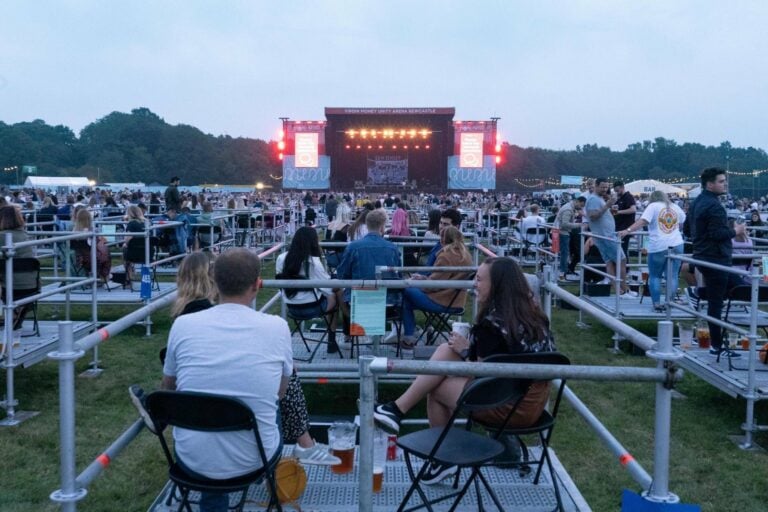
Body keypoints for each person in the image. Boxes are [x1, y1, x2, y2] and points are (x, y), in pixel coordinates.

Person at [373, 257, 556, 484]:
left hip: (509, 407)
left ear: (497, 284)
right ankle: (396, 410)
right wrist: (465, 351)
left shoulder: (493, 324)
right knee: (445, 352)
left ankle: (440, 456)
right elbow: (501, 365)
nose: (474, 285)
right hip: (535, 406)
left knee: (435, 388)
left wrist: (465, 351)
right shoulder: (535, 317)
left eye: (479, 280)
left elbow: (484, 375)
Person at [159, 249, 290, 511]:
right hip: (255, 460)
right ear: (257, 285)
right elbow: (281, 392)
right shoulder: (277, 327)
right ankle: (274, 487)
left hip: (192, 460)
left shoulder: (182, 326)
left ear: (215, 282)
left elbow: (168, 389)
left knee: (210, 414)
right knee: (270, 406)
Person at [685, 167, 745, 357]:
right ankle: (717, 346)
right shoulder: (715, 206)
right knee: (717, 302)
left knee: (735, 287)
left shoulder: (696, 203)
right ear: (709, 184)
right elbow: (717, 234)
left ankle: (697, 293)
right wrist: (736, 231)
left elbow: (687, 228)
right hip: (716, 258)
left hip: (702, 256)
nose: (724, 184)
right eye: (721, 181)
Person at [400, 226, 473, 348]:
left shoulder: (446, 256)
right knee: (406, 300)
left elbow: (433, 285)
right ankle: (409, 336)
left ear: (443, 240)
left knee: (405, 289)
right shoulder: (465, 255)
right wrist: (423, 279)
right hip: (456, 301)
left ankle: (410, 336)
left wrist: (417, 282)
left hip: (442, 300)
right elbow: (440, 280)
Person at [276, 226, 340, 354]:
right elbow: (327, 287)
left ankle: (333, 339)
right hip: (312, 308)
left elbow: (279, 282)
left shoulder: (281, 258)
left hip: (292, 308)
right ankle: (332, 340)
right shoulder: (313, 262)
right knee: (335, 295)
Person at [619, 190, 685, 312]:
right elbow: (682, 221)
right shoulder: (675, 206)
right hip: (677, 243)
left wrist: (627, 230)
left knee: (655, 276)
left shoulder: (653, 206)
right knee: (673, 276)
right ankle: (670, 303)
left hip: (658, 245)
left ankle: (657, 304)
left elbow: (643, 221)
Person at [336, 208, 401, 328]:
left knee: (338, 292)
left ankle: (349, 334)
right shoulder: (392, 248)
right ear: (382, 227)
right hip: (388, 302)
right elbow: (397, 277)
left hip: (358, 301)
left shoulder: (353, 247)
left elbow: (342, 274)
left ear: (367, 225)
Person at [586, 178, 636, 298]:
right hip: (605, 236)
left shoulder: (598, 198)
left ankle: (620, 291)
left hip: (605, 235)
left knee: (610, 262)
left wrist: (608, 207)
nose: (605, 189)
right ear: (596, 186)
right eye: (602, 187)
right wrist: (608, 205)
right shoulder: (593, 199)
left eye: (606, 187)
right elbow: (592, 216)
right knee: (621, 259)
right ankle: (624, 290)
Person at [0, 206, 37, 330]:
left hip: (12, 285)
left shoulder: (3, 236)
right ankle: (14, 316)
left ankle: (10, 317)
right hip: (32, 285)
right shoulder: (25, 235)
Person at [72, 208, 120, 289]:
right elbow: (98, 244)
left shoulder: (73, 232)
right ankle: (105, 276)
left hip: (78, 259)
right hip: (92, 259)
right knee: (106, 254)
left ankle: (102, 276)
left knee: (103, 255)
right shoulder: (91, 231)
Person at [554, 196, 586, 280]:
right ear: (577, 202)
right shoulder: (568, 209)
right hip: (562, 232)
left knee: (565, 253)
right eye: (581, 205)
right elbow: (564, 224)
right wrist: (579, 225)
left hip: (560, 231)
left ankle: (564, 272)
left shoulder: (569, 207)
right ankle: (563, 273)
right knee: (565, 253)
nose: (581, 208)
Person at [613, 181, 637, 256]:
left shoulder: (628, 197)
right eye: (615, 191)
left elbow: (633, 209)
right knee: (620, 250)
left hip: (625, 227)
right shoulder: (620, 198)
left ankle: (625, 267)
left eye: (617, 190)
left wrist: (619, 212)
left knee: (623, 250)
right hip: (620, 227)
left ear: (622, 187)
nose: (616, 192)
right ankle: (622, 267)